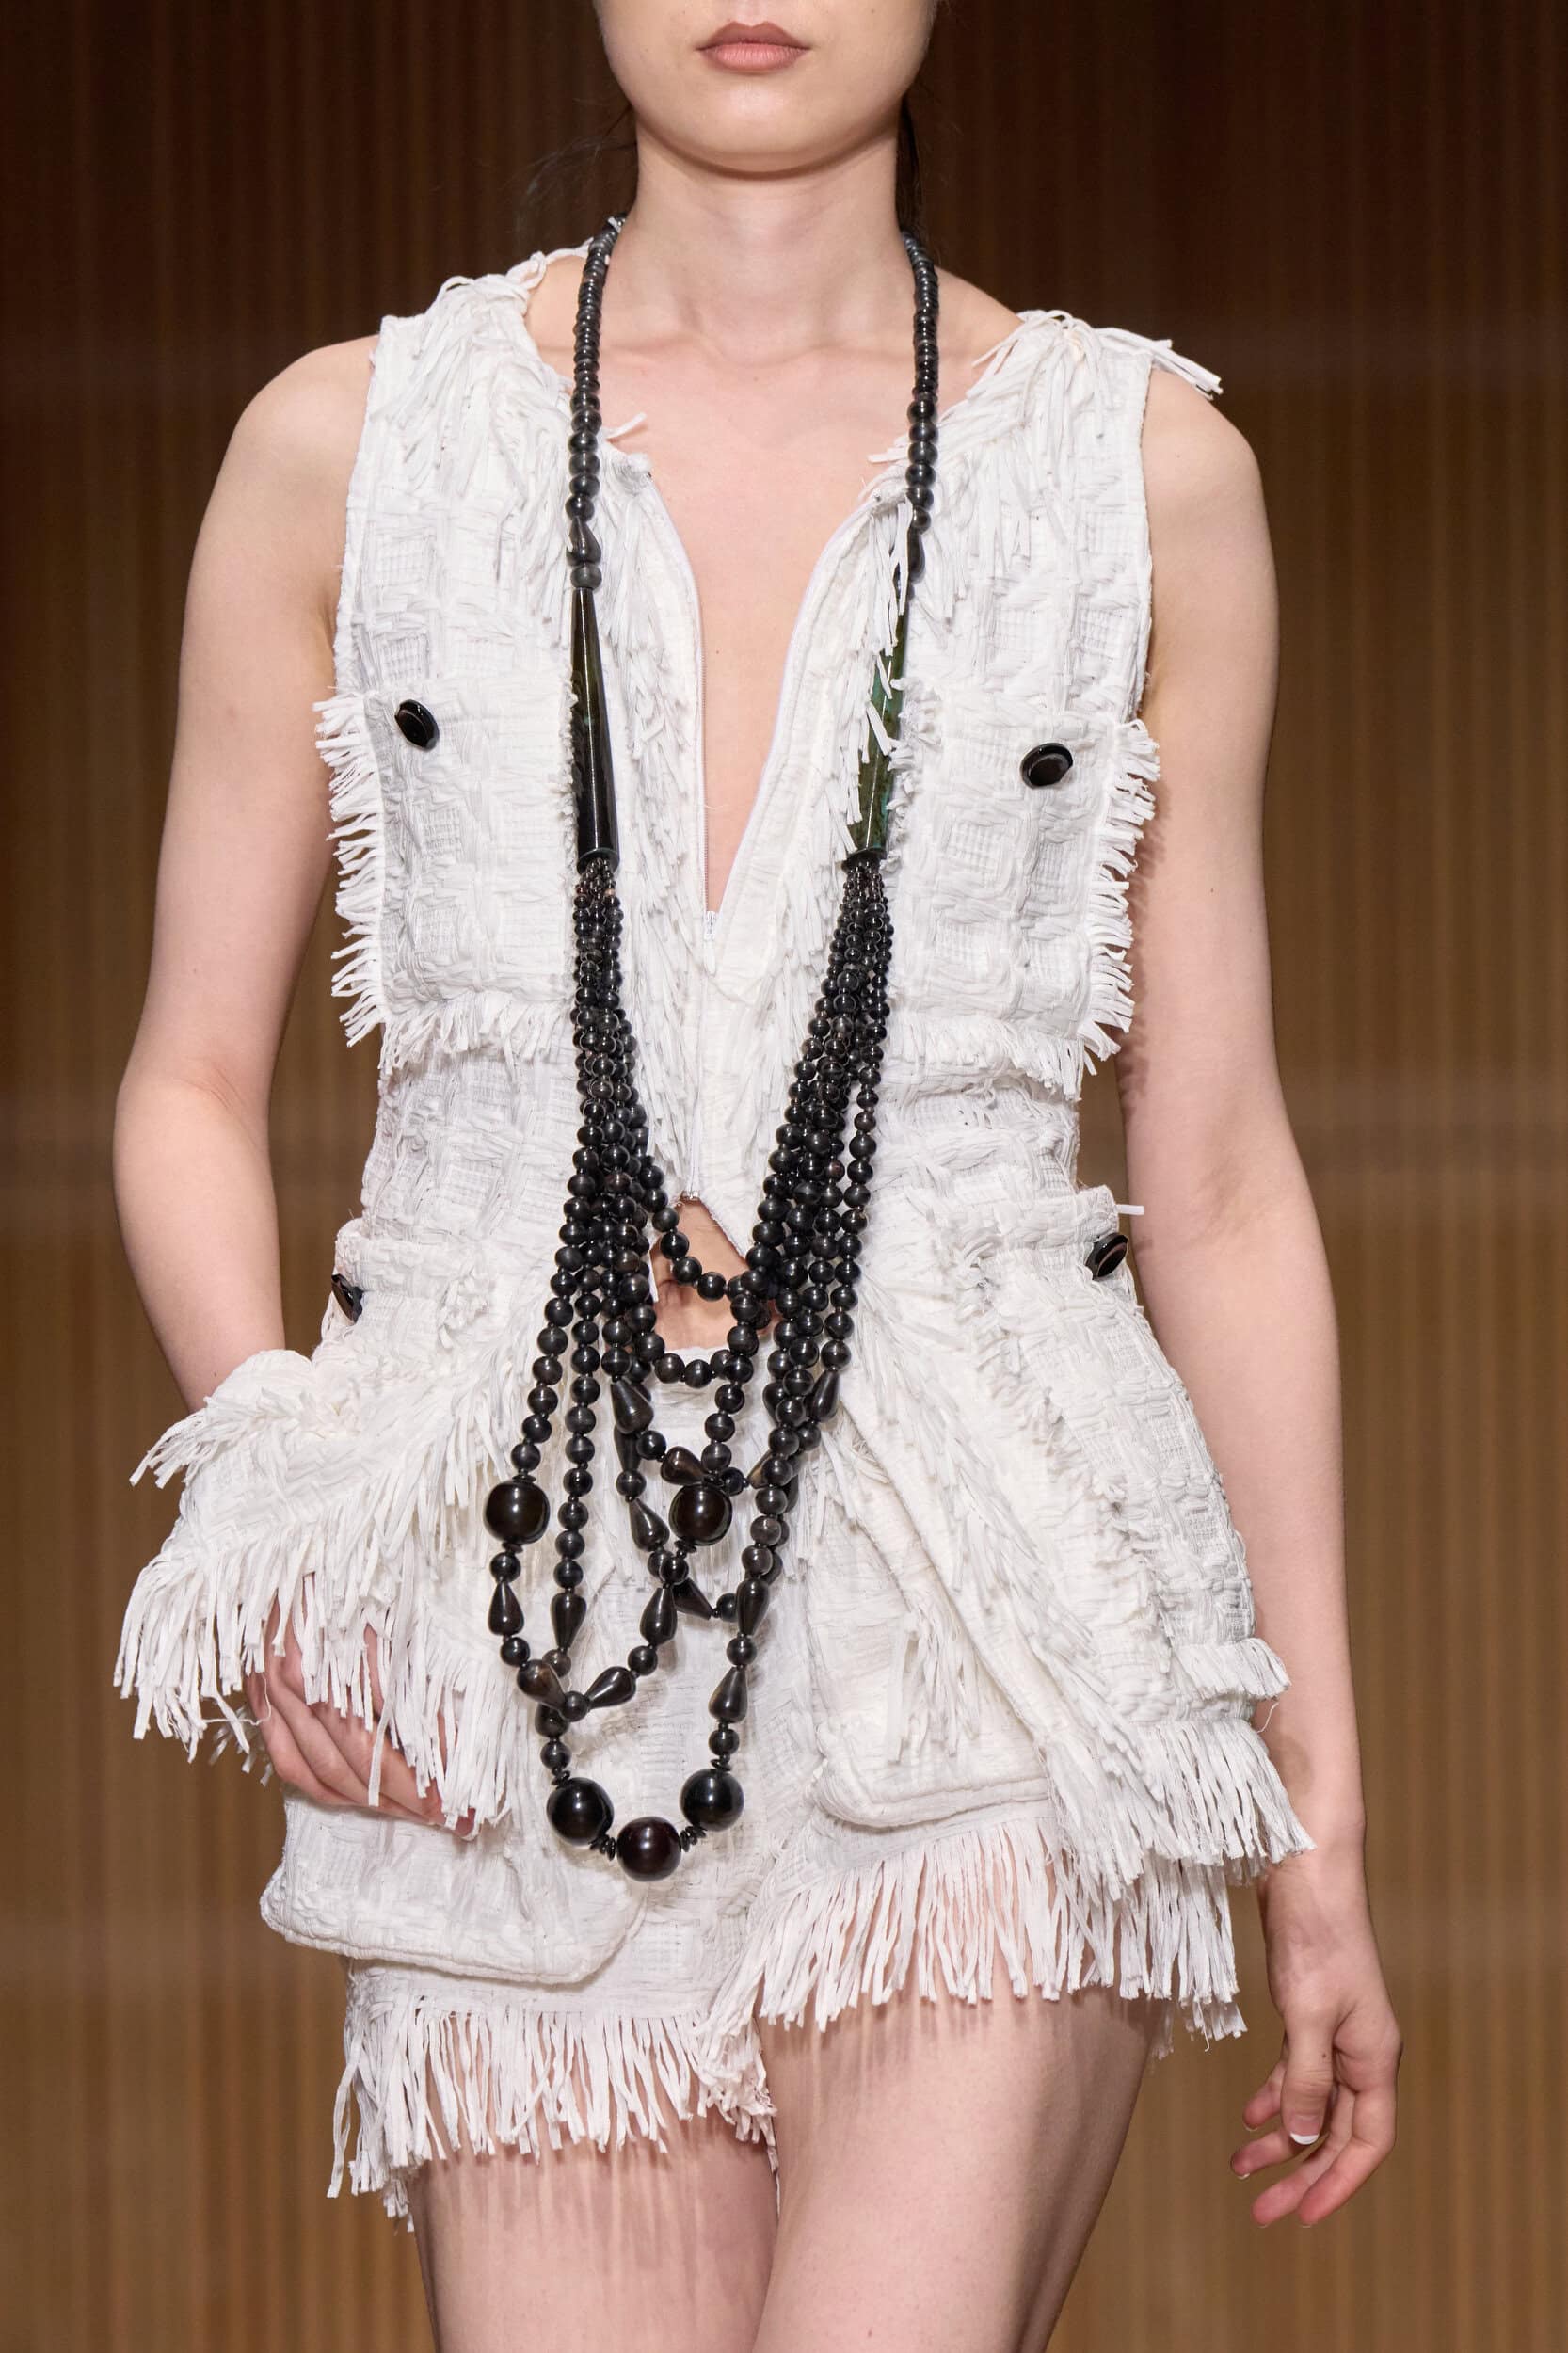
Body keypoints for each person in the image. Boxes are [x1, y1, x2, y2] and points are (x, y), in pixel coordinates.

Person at [112, 5, 1401, 2347]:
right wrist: (281, 1496)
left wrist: (1317, 1814)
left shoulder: (1133, 473)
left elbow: (1211, 1170)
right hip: (510, 1628)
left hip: (1001, 1616)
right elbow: (189, 1076)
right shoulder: (349, 452)